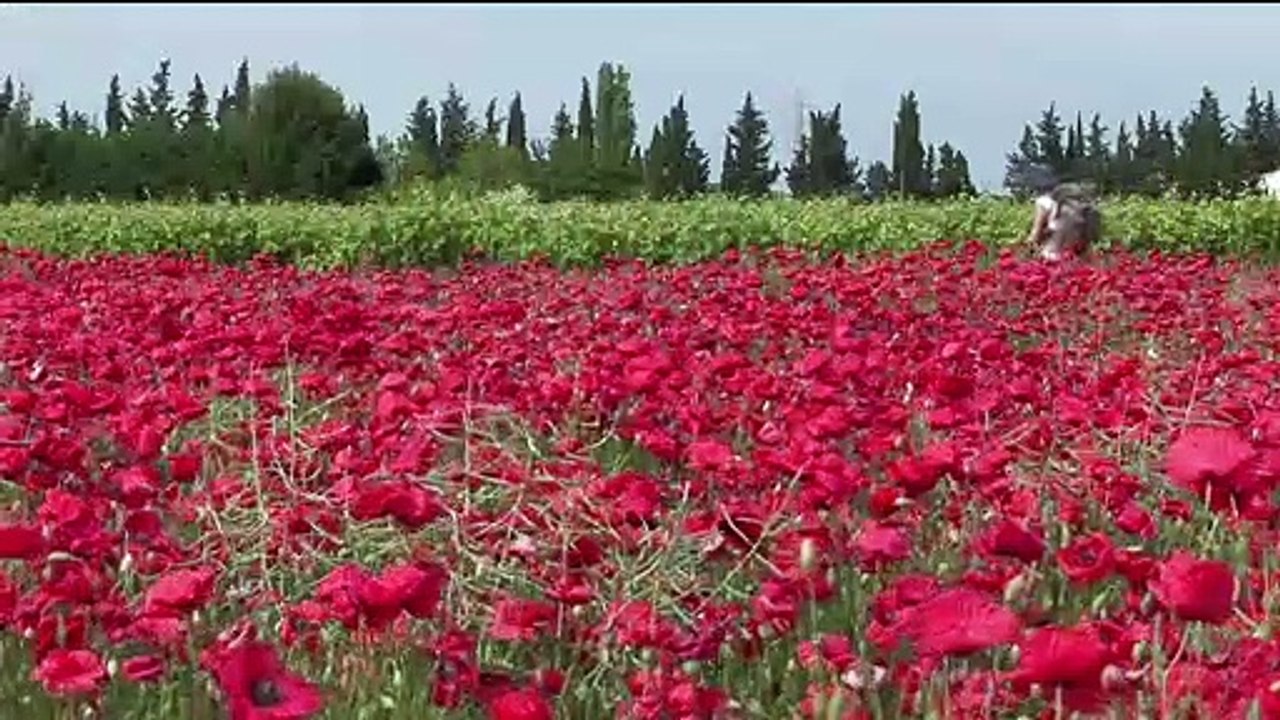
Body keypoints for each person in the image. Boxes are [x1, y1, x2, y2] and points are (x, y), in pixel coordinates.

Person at [1027, 182, 1101, 261]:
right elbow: (1087, 244)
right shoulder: (1087, 211)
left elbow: (1034, 236)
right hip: (1072, 259)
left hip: (1050, 256)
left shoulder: (1045, 203)